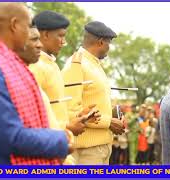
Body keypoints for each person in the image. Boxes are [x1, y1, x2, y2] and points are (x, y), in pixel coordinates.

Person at [0, 3, 71, 175]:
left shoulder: (8, 64)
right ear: (14, 25)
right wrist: (61, 140)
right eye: (28, 26)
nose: (31, 34)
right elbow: (11, 136)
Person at [62, 21, 125, 164]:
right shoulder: (76, 64)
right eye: (109, 43)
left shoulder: (94, 65)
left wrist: (113, 114)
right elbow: (71, 109)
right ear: (101, 42)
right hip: (87, 151)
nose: (109, 48)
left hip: (100, 147)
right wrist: (108, 122)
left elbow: (92, 103)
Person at [29, 11, 91, 137]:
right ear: (45, 34)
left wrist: (77, 116)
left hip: (58, 142)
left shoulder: (52, 65)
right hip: (48, 144)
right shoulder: (35, 66)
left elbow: (56, 108)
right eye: (61, 36)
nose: (63, 42)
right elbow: (33, 116)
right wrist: (67, 127)